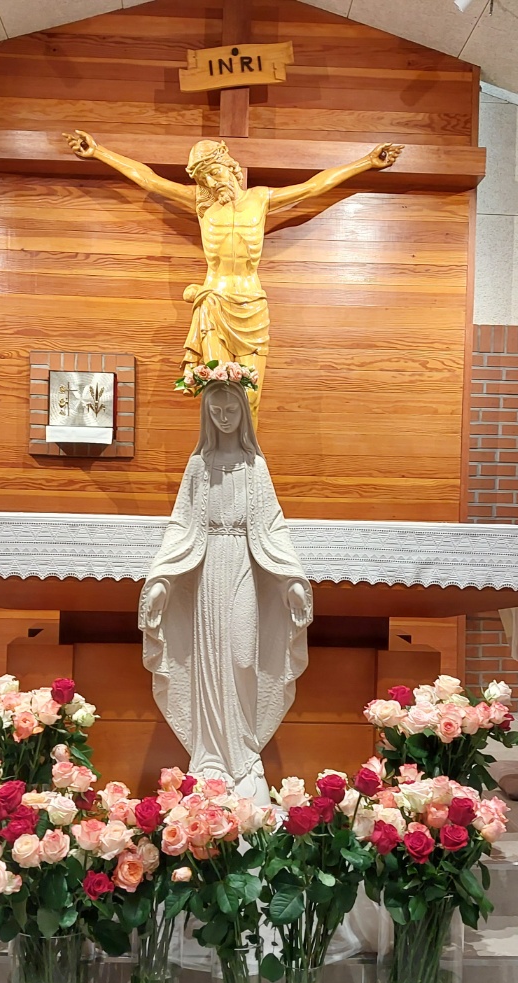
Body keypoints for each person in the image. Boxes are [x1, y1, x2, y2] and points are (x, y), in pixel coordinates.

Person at [62, 131, 403, 422]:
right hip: (214, 303)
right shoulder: (202, 203)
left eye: (215, 172)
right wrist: (99, 152)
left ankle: (248, 468)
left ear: (230, 166)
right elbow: (149, 180)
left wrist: (366, 162)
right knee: (219, 393)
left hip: (252, 305)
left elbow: (313, 187)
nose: (212, 183)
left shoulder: (261, 199)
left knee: (250, 397)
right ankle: (217, 465)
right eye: (204, 179)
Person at [138, 380, 312, 802]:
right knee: (209, 662)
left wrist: (291, 578)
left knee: (241, 657)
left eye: (230, 409)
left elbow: (273, 525)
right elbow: (181, 524)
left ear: (243, 412)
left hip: (244, 568)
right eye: (215, 410)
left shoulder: (255, 467)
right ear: (206, 415)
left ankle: (245, 756)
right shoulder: (199, 465)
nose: (223, 417)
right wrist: (161, 580)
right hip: (205, 573)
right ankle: (212, 759)